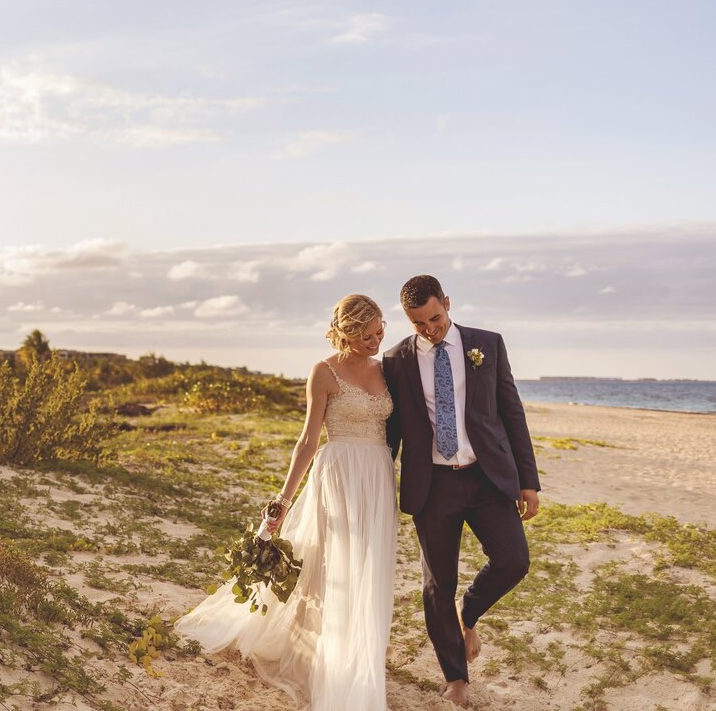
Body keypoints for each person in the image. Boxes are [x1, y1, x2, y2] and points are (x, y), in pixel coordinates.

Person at [175, 294, 397, 711]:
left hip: (378, 476)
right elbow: (309, 440)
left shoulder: (388, 371)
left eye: (380, 329)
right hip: (340, 473)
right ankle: (327, 655)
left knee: (372, 563)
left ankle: (362, 651)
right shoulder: (324, 372)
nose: (376, 339)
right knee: (333, 565)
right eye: (367, 334)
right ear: (346, 332)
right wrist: (282, 499)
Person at [382, 275, 541, 708]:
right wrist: (377, 481)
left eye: (435, 318)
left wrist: (528, 480)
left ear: (447, 303)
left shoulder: (487, 344)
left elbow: (512, 412)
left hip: (487, 477)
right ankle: (456, 677)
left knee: (513, 560)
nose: (429, 329)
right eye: (418, 324)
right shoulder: (395, 359)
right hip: (432, 485)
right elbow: (392, 431)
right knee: (437, 585)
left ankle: (467, 613)